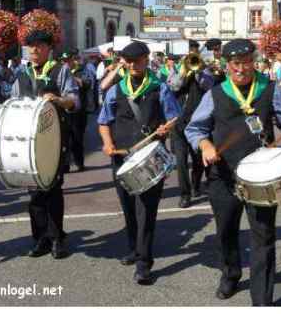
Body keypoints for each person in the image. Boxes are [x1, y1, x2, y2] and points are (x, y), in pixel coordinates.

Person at [185, 38, 281, 305]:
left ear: (254, 61)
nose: (242, 68)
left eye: (247, 62)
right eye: (236, 64)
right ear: (227, 65)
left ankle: (261, 301)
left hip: (262, 177)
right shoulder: (215, 93)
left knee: (264, 237)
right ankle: (231, 273)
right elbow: (195, 129)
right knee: (225, 231)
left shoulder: (270, 88)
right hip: (223, 176)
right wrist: (204, 145)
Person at [98, 41, 181, 285]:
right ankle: (134, 248)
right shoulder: (116, 90)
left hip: (150, 157)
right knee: (128, 208)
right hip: (121, 156)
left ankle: (144, 263)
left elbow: (174, 116)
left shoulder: (159, 88)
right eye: (129, 61)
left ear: (146, 60)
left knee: (146, 210)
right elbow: (104, 121)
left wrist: (168, 126)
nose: (133, 65)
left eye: (138, 60)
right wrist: (106, 144)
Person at [10, 30, 79, 259]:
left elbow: (74, 100)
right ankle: (40, 238)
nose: (34, 50)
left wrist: (59, 100)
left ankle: (58, 238)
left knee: (53, 190)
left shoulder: (61, 71)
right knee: (35, 194)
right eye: (30, 46)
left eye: (39, 46)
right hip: (28, 142)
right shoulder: (21, 74)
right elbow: (13, 105)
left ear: (49, 48)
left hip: (55, 139)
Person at [167, 51, 209, 208]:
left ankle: (196, 185)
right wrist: (184, 72)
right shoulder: (175, 72)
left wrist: (198, 72)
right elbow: (174, 86)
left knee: (198, 160)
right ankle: (184, 195)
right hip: (178, 124)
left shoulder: (203, 72)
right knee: (181, 162)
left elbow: (208, 84)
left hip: (197, 124)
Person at [62, 49, 95, 172]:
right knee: (64, 139)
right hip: (64, 110)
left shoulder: (83, 70)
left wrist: (71, 77)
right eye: (64, 61)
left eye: (68, 60)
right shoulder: (61, 72)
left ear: (73, 60)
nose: (66, 63)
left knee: (77, 138)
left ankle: (79, 163)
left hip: (78, 111)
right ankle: (65, 164)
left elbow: (87, 83)